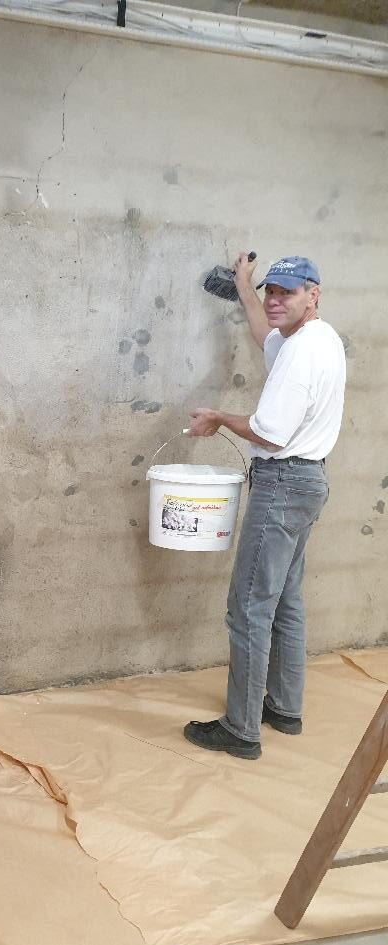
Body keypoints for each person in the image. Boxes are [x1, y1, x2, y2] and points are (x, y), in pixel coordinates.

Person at [183, 254, 346, 759]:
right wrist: (244, 287)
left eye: (286, 293)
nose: (274, 300)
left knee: (249, 607)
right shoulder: (317, 338)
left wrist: (219, 418)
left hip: (282, 483)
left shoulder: (301, 355)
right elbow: (266, 335)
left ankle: (241, 729)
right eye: (271, 291)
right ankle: (284, 707)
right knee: (285, 599)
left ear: (313, 294)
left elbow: (270, 435)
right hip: (308, 482)